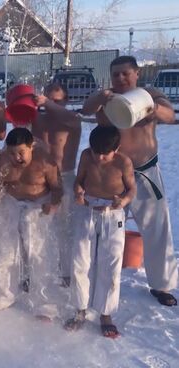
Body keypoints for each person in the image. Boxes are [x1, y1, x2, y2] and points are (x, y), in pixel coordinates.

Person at [83, 55, 178, 306]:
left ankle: (162, 284)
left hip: (145, 171)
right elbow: (86, 107)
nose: (121, 78)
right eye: (116, 74)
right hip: (111, 175)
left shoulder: (151, 95)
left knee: (157, 228)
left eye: (126, 73)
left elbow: (170, 116)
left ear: (137, 73)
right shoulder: (108, 99)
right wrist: (102, 97)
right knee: (101, 229)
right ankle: (91, 278)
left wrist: (152, 108)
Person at [0, 128, 63, 321]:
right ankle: (1, 296)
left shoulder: (45, 161)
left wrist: (53, 205)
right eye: (12, 152)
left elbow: (57, 188)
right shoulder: (3, 160)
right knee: (5, 251)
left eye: (21, 152)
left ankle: (45, 305)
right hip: (11, 202)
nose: (16, 157)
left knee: (39, 255)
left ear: (31, 146)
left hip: (38, 205)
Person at [64, 125, 136, 338]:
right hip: (86, 210)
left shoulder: (124, 162)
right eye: (96, 151)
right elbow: (79, 180)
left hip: (112, 213)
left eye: (105, 153)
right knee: (80, 261)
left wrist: (123, 200)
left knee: (110, 262)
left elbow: (131, 188)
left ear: (117, 148)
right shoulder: (87, 156)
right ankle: (80, 310)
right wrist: (78, 190)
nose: (100, 157)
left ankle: (106, 313)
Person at [32, 83, 83, 285]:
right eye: (49, 99)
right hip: (41, 178)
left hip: (65, 176)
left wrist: (47, 104)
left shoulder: (72, 121)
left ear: (66, 101)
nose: (52, 104)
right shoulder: (39, 119)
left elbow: (70, 117)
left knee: (65, 227)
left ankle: (66, 274)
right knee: (37, 225)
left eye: (57, 101)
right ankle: (36, 271)